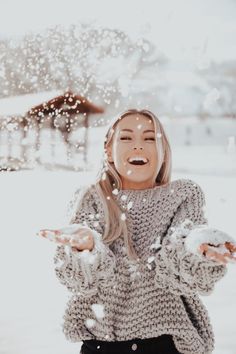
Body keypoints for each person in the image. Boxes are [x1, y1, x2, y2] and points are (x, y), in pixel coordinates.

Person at [39, 109, 236, 354]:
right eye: (126, 138)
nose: (138, 146)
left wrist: (197, 249)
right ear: (108, 151)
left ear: (163, 152)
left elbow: (178, 255)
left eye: (150, 138)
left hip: (165, 343)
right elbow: (77, 279)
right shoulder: (91, 198)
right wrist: (86, 249)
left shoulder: (183, 195)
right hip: (101, 344)